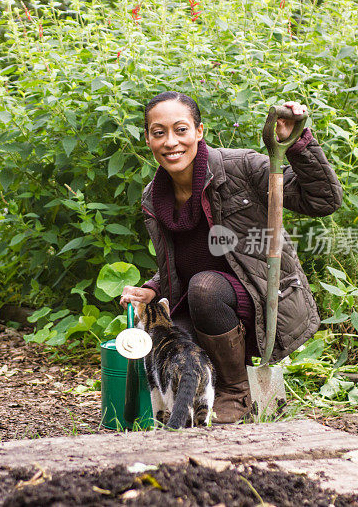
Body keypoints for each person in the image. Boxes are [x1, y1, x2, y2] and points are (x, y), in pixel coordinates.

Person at [120, 91, 342, 423]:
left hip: (259, 295)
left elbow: (324, 200)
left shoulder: (242, 167)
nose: (170, 142)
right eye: (158, 132)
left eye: (181, 130)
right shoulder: (154, 197)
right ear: (148, 139)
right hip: (203, 301)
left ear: (199, 131)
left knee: (204, 287)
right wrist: (153, 288)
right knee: (160, 335)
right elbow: (186, 258)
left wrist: (296, 144)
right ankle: (179, 410)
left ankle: (237, 391)